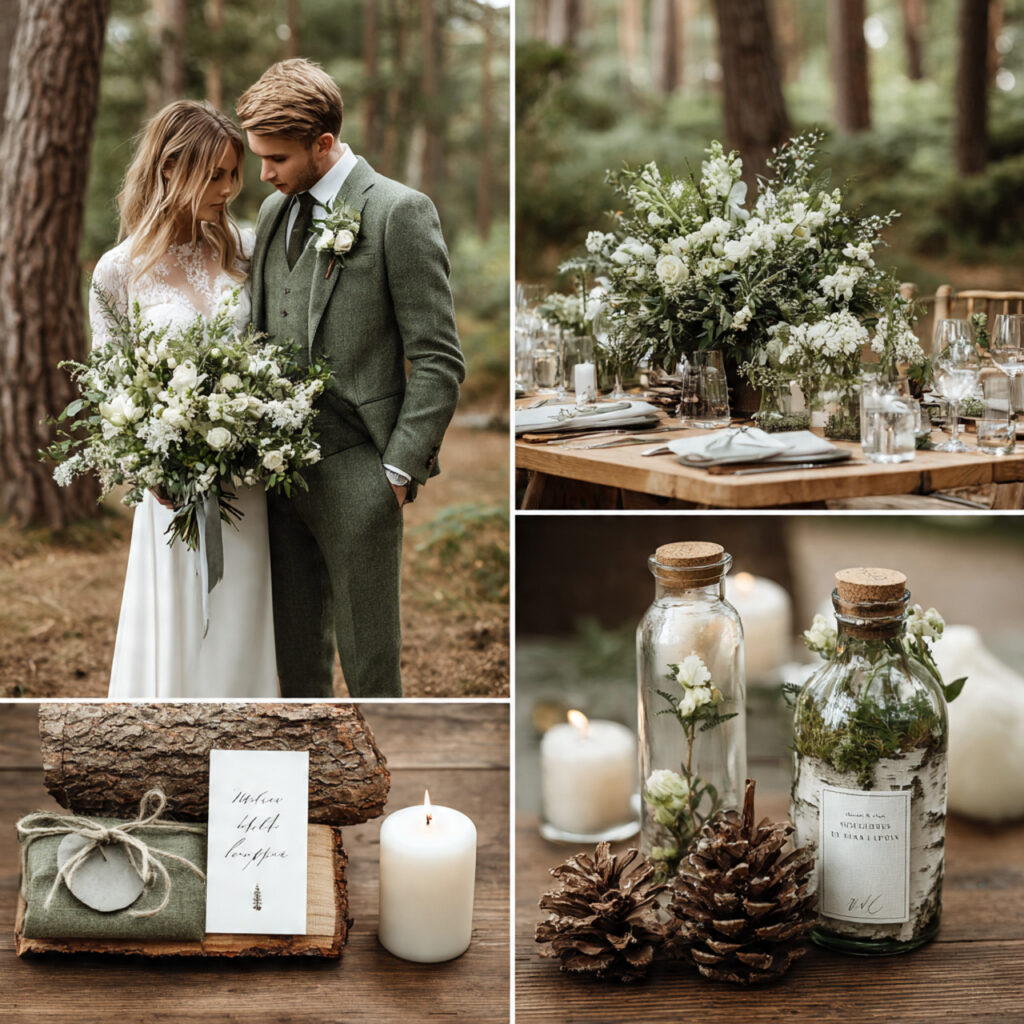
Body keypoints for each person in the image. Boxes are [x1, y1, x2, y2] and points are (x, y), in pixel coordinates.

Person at [237, 59, 464, 699]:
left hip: (360, 471)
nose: (264, 173)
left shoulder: (399, 212)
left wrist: (395, 473)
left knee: (370, 671)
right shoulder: (275, 212)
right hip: (277, 478)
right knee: (297, 667)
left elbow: (439, 356)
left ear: (324, 144)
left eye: (276, 158)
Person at [90, 100, 278, 699]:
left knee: (244, 621)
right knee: (178, 633)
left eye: (233, 173)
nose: (229, 188)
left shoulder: (246, 249)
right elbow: (109, 384)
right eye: (215, 174)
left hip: (249, 481)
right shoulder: (117, 271)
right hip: (170, 492)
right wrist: (150, 464)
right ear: (171, 169)